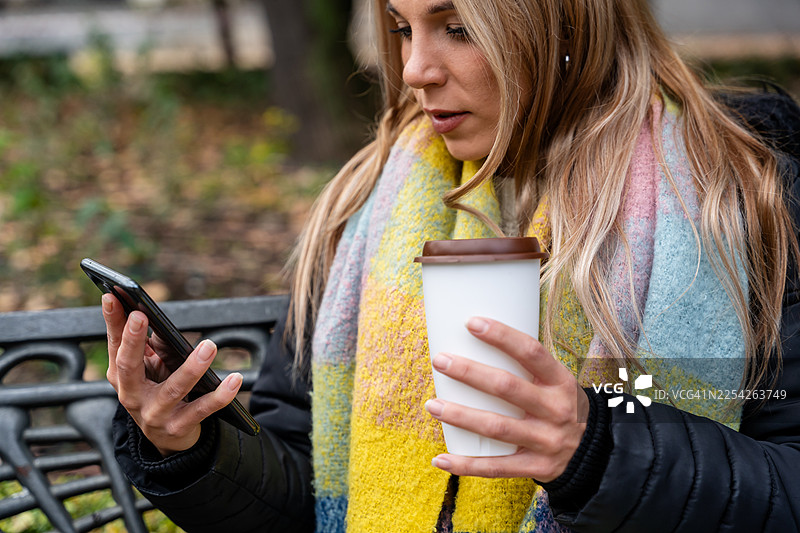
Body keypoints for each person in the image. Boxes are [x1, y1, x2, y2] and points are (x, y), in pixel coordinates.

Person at [103, 0, 800, 531]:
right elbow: (307, 486)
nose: (414, 70)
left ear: (563, 24)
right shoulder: (371, 202)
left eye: (457, 26)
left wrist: (599, 451)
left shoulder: (737, 196)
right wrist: (190, 443)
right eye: (403, 28)